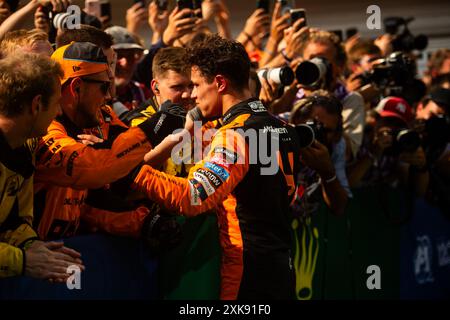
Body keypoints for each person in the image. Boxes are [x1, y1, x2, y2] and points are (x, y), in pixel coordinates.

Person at [132, 34, 301, 300]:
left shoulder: (234, 134)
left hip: (246, 269)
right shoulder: (282, 128)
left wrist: (133, 172)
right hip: (282, 263)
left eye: (197, 84)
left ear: (220, 83)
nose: (194, 94)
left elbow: (192, 197)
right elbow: (291, 195)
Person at [33, 41, 184, 240]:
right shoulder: (44, 127)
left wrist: (141, 222)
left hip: (70, 248)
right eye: (104, 87)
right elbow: (94, 169)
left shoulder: (101, 115)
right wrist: (154, 127)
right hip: (31, 256)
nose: (110, 95)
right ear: (76, 88)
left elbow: (121, 171)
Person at [0, 52, 83, 280]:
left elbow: (14, 220)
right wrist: (22, 261)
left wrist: (31, 245)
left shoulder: (24, 147)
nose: (58, 113)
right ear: (37, 104)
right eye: (56, 103)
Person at [289, 93, 350, 216]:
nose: (318, 133)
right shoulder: (277, 127)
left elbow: (339, 207)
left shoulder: (335, 146)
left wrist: (326, 171)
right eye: (314, 125)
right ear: (297, 118)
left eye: (326, 131)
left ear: (336, 135)